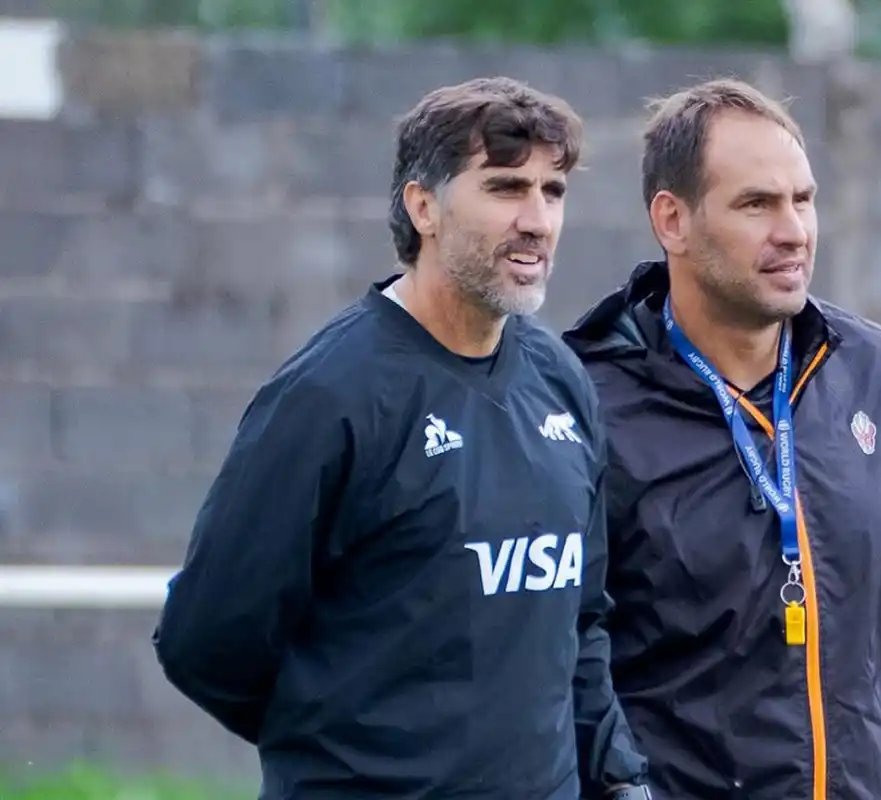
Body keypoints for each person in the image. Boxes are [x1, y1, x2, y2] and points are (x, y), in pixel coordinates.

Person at [153, 77, 650, 800]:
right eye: (505, 188)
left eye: (553, 191)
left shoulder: (561, 381)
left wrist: (620, 780)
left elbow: (581, 624)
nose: (537, 220)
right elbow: (206, 641)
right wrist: (353, 753)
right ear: (424, 207)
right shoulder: (330, 396)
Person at [562, 79, 881, 800]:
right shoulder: (581, 401)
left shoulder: (871, 370)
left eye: (803, 199)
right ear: (673, 220)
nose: (793, 230)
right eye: (757, 204)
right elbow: (565, 650)